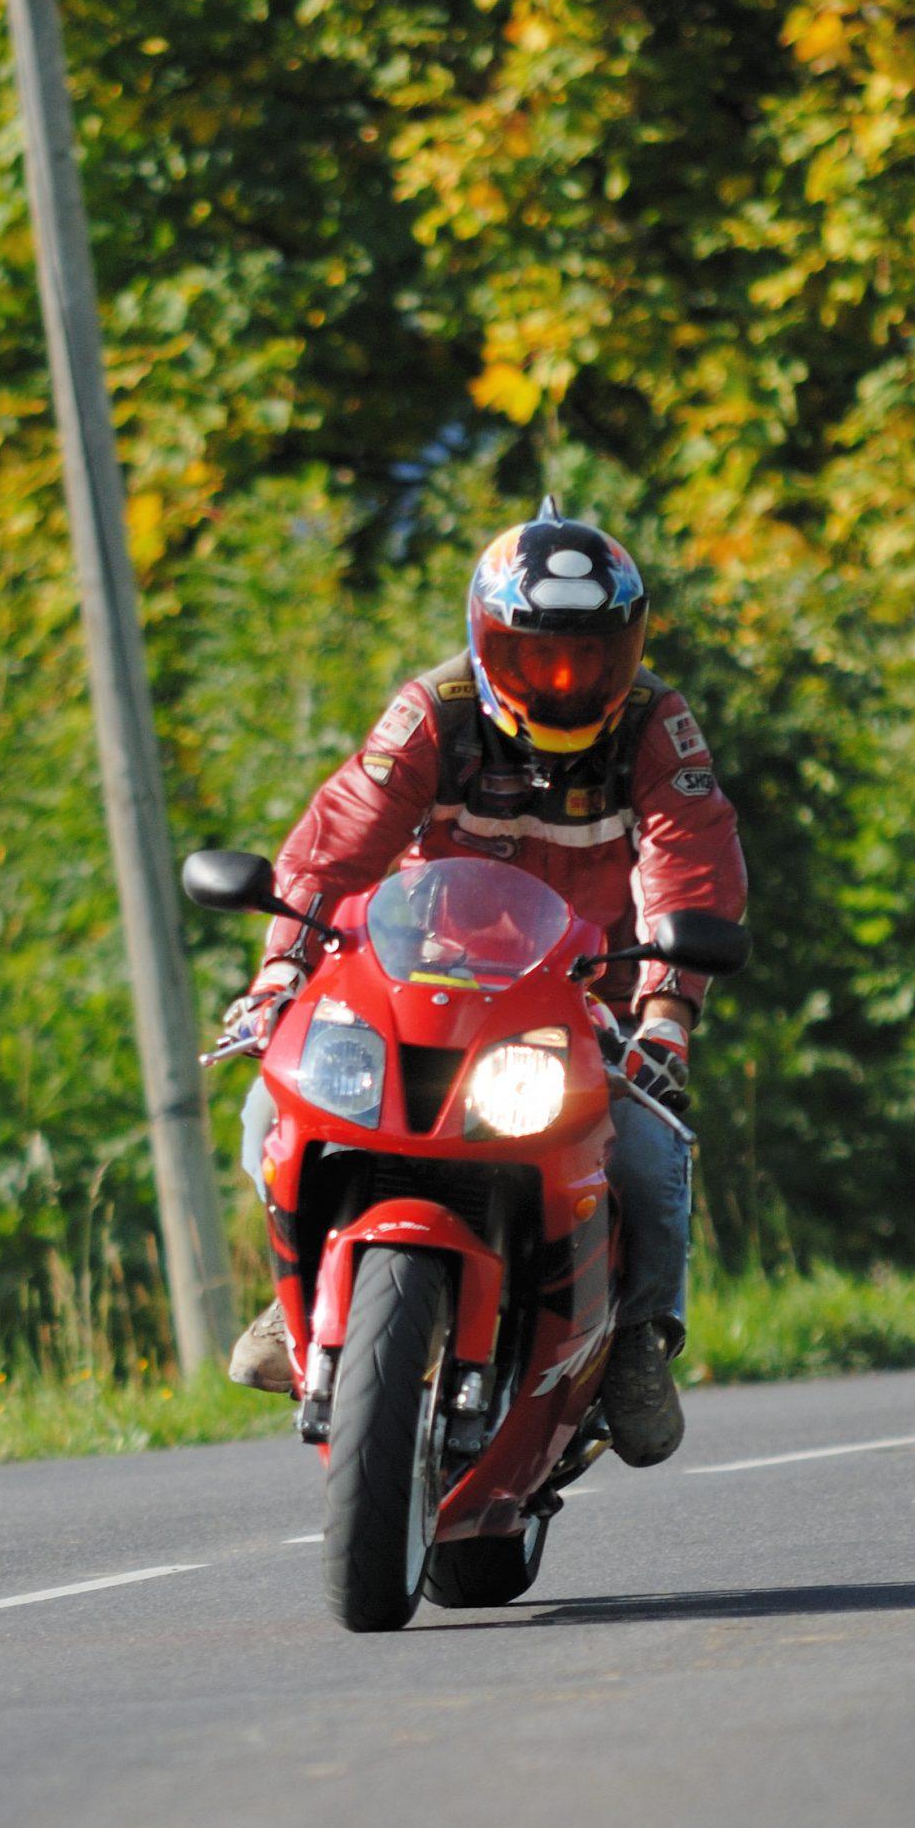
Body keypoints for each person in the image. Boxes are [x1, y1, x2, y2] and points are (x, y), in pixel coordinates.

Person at [223, 497, 748, 1466]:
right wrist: (279, 974)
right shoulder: (436, 711)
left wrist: (668, 1013)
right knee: (275, 1106)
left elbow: (691, 858)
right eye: (535, 655)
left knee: (643, 1147)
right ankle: (297, 1291)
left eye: (588, 656)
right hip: (425, 976)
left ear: (626, 649)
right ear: (483, 639)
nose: (562, 680)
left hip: (589, 992)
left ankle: (636, 1339)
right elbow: (337, 842)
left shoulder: (652, 724)